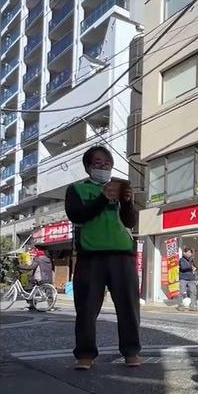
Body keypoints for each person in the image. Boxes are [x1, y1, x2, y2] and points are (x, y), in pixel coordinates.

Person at [65, 146, 141, 370]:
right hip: (90, 256)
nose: (103, 166)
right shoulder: (77, 189)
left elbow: (129, 222)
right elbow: (77, 215)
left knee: (128, 307)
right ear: (88, 166)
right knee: (86, 309)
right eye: (97, 163)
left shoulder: (119, 187)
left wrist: (127, 201)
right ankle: (85, 355)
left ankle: (131, 352)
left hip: (123, 255)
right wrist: (102, 198)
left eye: (107, 163)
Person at [176, 246, 198, 311]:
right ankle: (180, 305)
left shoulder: (191, 260)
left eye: (190, 252)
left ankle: (193, 306)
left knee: (193, 291)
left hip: (191, 278)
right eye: (188, 252)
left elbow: (195, 267)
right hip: (183, 278)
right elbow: (183, 268)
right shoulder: (181, 260)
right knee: (182, 292)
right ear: (184, 253)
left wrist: (195, 268)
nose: (190, 254)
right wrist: (191, 268)